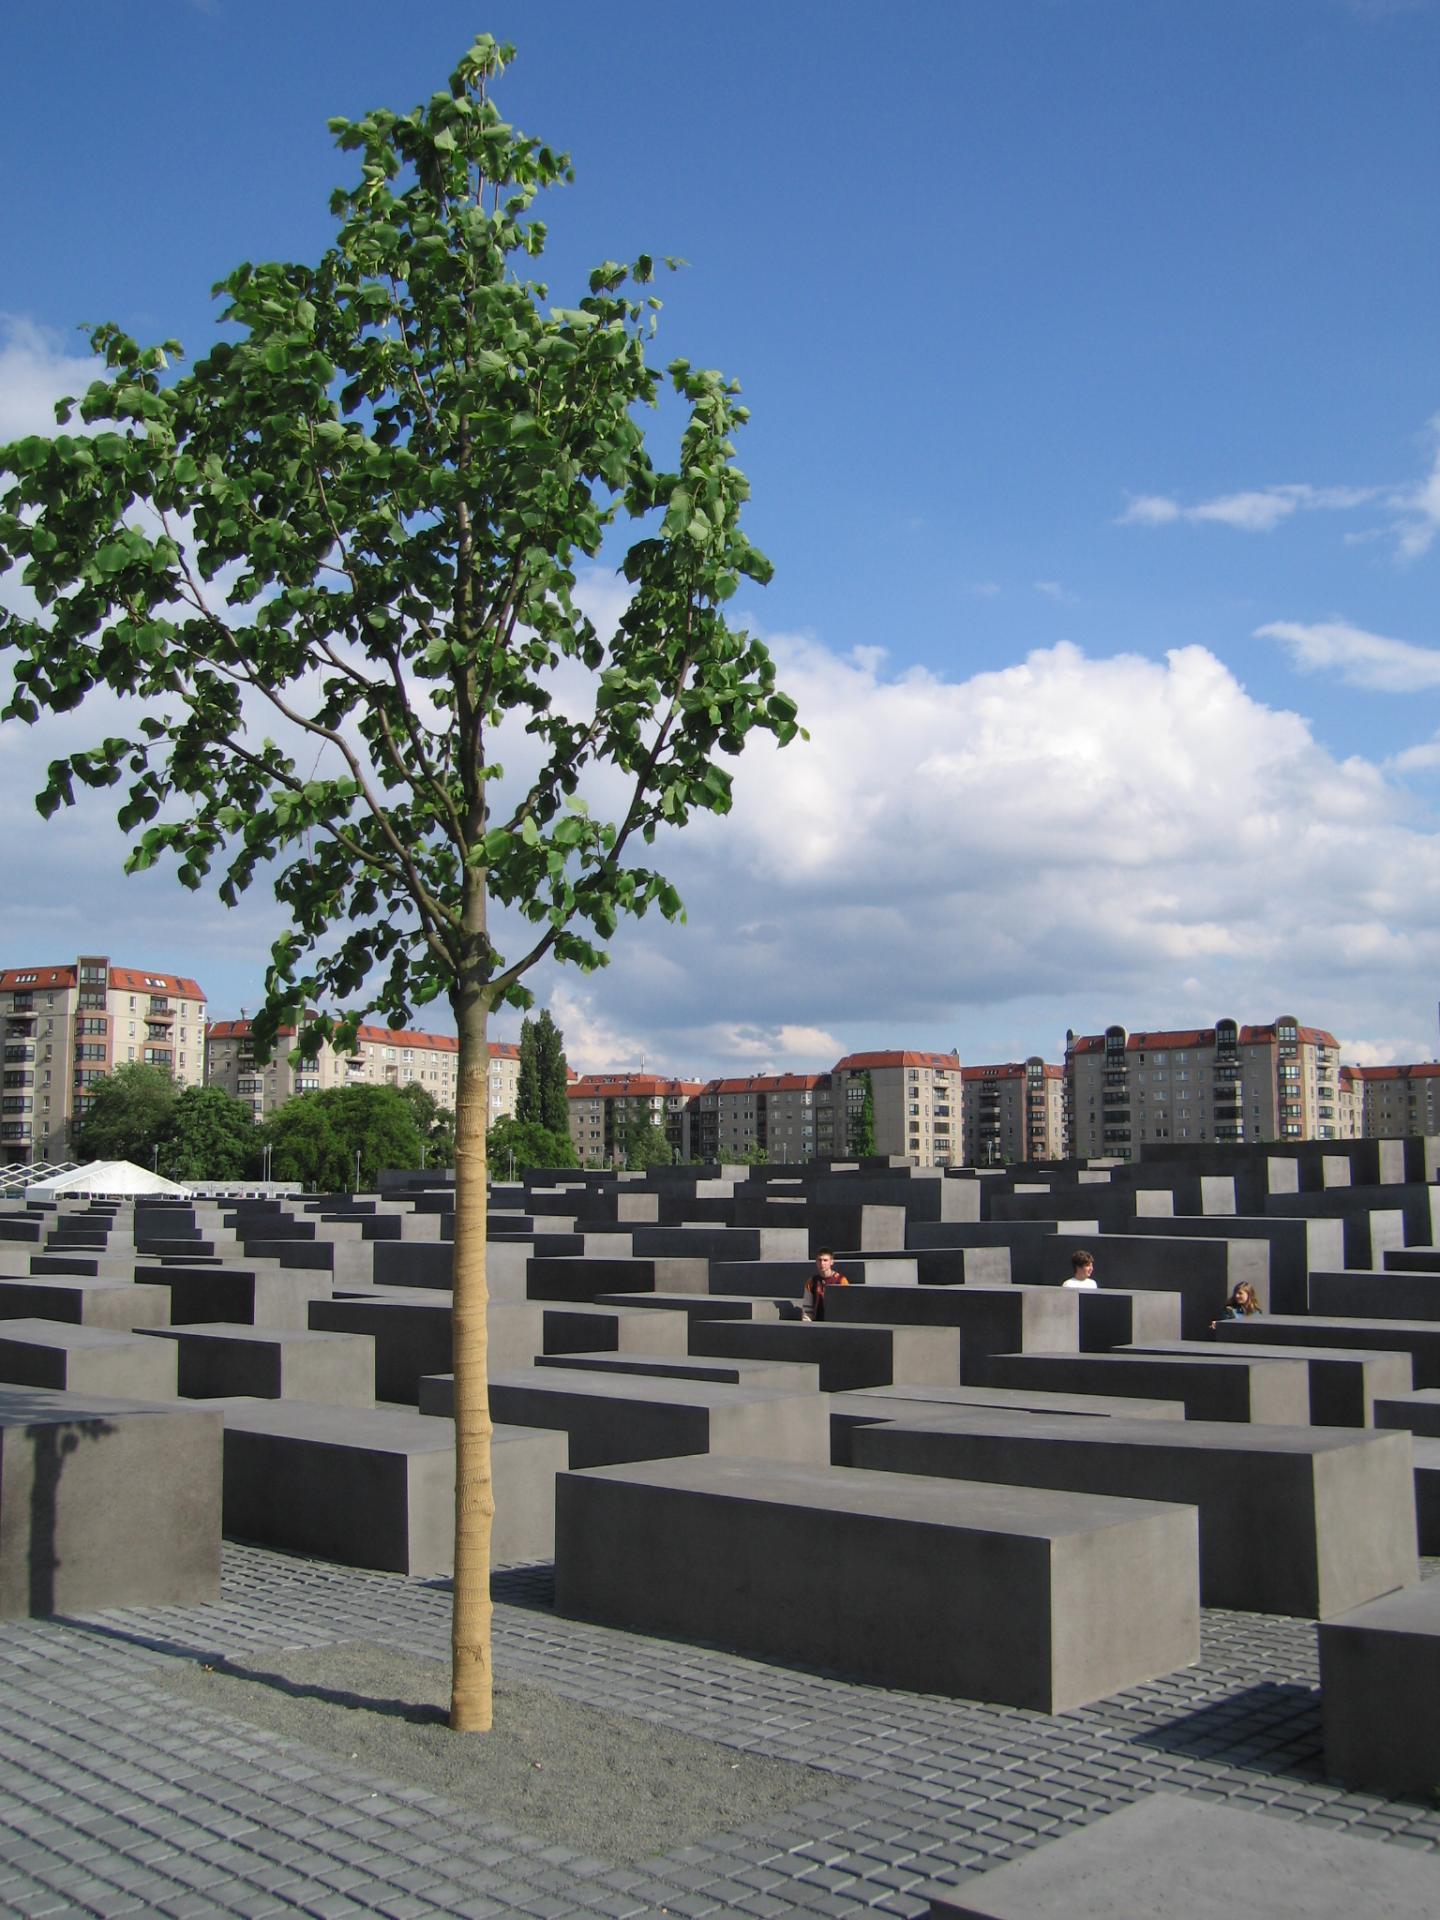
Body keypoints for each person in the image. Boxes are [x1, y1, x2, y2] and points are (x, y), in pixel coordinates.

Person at [801, 1248, 849, 1322]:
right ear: (816, 1261)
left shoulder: (841, 1280)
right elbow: (807, 1308)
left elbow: (847, 1304)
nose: (822, 1263)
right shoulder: (812, 1281)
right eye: (819, 1260)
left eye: (825, 1260)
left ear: (831, 1262)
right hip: (817, 1323)